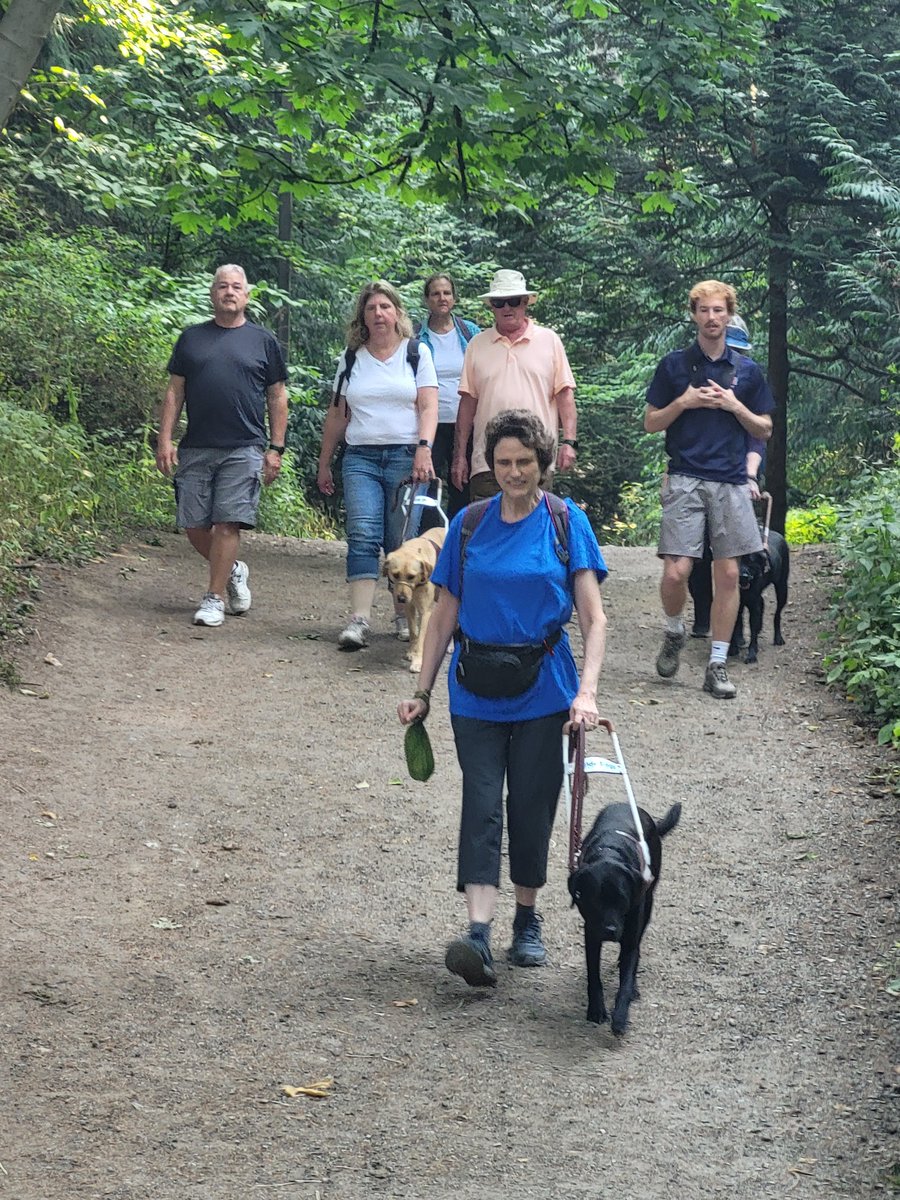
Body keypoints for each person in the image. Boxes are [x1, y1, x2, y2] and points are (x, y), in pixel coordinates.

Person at [398, 409, 608, 988]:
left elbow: (593, 620)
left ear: (543, 465)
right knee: (483, 802)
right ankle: (478, 936)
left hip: (545, 690)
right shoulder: (468, 524)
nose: (514, 472)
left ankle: (526, 918)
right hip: (475, 689)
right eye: (504, 462)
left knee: (532, 805)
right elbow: (443, 617)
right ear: (491, 465)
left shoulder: (568, 524)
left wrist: (585, 693)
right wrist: (422, 691)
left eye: (525, 462)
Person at [644, 281, 774, 699]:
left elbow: (765, 429)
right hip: (684, 475)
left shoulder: (748, 372)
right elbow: (651, 422)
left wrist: (734, 405)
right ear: (693, 314)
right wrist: (683, 402)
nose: (712, 318)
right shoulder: (673, 366)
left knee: (730, 573)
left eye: (719, 311)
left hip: (732, 480)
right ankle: (675, 630)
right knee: (676, 570)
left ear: (729, 315)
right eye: (704, 310)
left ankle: (717, 663)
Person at [156, 264, 288, 627]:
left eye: (236, 287)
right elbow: (174, 391)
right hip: (196, 445)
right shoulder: (191, 338)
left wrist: (276, 447)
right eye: (222, 286)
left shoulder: (264, 342)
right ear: (212, 294)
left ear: (246, 295)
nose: (229, 292)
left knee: (227, 523)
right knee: (194, 525)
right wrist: (165, 438)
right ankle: (233, 571)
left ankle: (213, 598)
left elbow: (277, 396)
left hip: (244, 446)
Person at [317, 280, 439, 650]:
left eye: (385, 307)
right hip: (360, 458)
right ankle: (359, 619)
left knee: (401, 540)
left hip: (406, 456)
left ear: (397, 313)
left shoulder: (416, 353)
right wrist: (324, 462)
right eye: (372, 308)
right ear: (363, 317)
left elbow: (429, 405)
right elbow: (338, 414)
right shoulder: (351, 359)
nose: (379, 314)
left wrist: (424, 448)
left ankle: (406, 617)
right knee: (363, 533)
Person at [451, 269, 578, 502]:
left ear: (526, 302)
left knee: (534, 530)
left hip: (536, 458)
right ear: (492, 306)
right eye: (500, 302)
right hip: (488, 461)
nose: (507, 308)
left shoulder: (549, 340)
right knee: (487, 530)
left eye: (514, 301)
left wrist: (569, 442)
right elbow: (468, 404)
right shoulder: (477, 345)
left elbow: (565, 395)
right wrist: (460, 456)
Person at [688, 315, 766, 638]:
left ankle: (730, 626)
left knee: (734, 555)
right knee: (696, 553)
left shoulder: (749, 384)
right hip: (698, 475)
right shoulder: (696, 381)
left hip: (737, 475)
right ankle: (703, 614)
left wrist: (749, 476)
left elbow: (757, 436)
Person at [412, 273, 480, 521]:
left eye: (447, 293)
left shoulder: (469, 332)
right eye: (436, 293)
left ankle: (458, 539)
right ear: (427, 299)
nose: (442, 298)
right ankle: (429, 540)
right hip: (428, 423)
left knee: (463, 483)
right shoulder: (416, 335)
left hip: (465, 422)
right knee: (427, 480)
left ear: (454, 297)